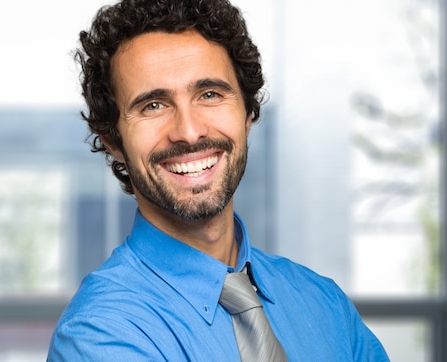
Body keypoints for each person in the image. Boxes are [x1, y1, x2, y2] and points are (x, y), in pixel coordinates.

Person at [47, 0, 389, 360]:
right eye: (153, 105)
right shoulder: (100, 333)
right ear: (113, 140)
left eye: (209, 94)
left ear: (248, 113)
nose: (189, 132)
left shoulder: (324, 304)